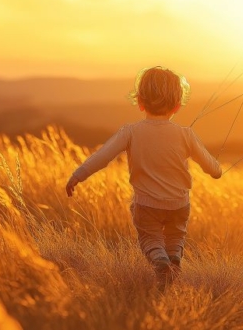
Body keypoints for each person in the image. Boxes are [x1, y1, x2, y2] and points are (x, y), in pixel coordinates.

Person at [65, 66, 222, 290]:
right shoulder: (186, 134)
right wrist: (218, 170)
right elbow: (213, 169)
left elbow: (102, 157)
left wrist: (77, 175)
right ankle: (173, 259)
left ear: (139, 102)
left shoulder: (130, 132)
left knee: (150, 239)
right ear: (177, 106)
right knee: (176, 237)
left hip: (147, 205)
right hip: (179, 204)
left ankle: (160, 261)